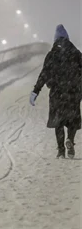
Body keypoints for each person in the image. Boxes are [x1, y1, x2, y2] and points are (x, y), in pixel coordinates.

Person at [30, 24, 82, 159]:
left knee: (58, 122)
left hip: (57, 93)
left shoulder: (52, 55)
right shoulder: (76, 54)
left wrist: (36, 91)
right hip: (74, 92)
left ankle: (60, 151)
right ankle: (70, 139)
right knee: (72, 120)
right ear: (67, 38)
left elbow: (44, 74)